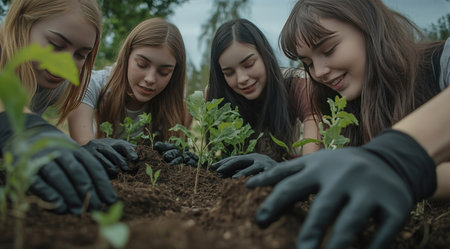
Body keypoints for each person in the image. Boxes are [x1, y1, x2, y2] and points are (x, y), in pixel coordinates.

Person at [212, 0, 450, 248]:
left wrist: (396, 160)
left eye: (329, 49)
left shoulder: (441, 63)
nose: (320, 71)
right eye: (308, 63)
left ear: (368, 26)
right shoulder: (349, 104)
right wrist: (293, 174)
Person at [0, 0, 134, 214]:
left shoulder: (54, 85)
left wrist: (83, 147)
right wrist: (28, 130)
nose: (67, 64)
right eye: (55, 45)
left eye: (81, 55)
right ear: (20, 25)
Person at [68, 17, 196, 168]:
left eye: (164, 72)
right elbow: (84, 146)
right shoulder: (92, 85)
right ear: (127, 56)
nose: (150, 79)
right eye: (142, 65)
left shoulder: (178, 105)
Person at [207, 18, 321, 162]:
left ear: (265, 55)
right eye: (229, 73)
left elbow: (311, 163)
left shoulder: (297, 84)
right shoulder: (217, 97)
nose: (242, 78)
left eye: (249, 64)